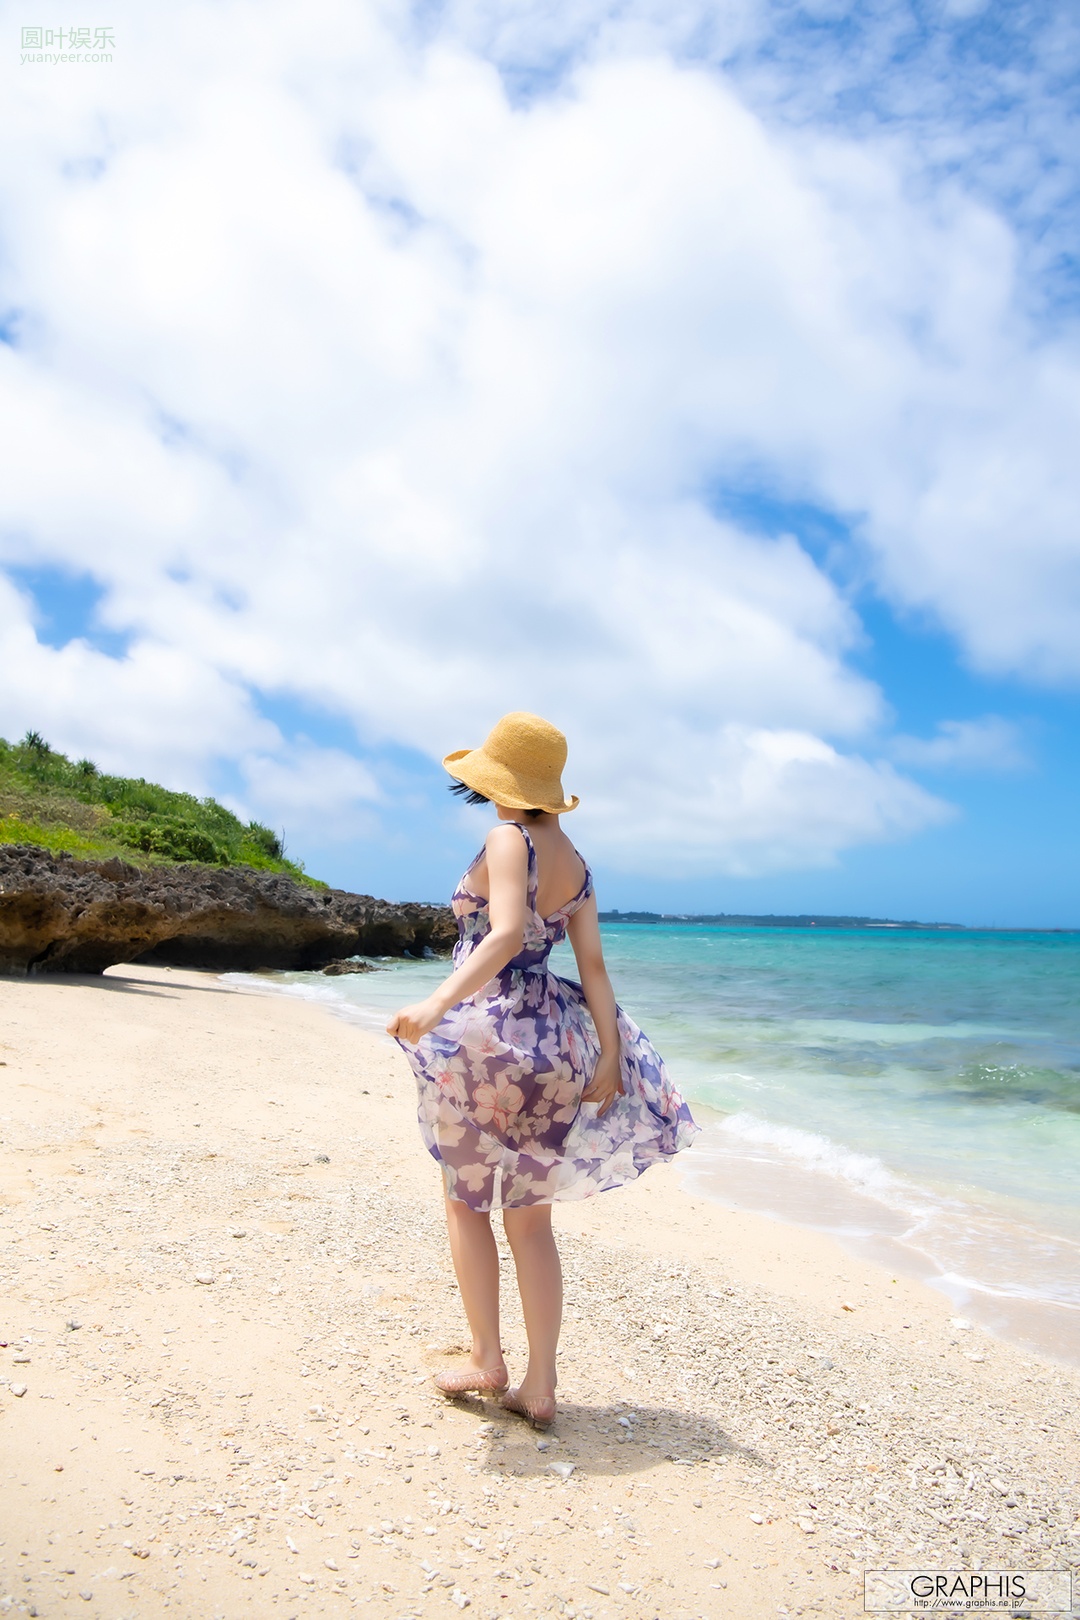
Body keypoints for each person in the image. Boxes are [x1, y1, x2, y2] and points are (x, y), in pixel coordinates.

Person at [386, 712, 698, 1428]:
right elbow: (591, 965)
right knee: (531, 1222)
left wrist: (435, 1003)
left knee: (466, 1201)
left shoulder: (506, 837)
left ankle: (488, 1359)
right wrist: (610, 1053)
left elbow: (499, 936)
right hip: (556, 1042)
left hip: (490, 1036)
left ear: (501, 783)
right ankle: (541, 1384)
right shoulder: (578, 863)